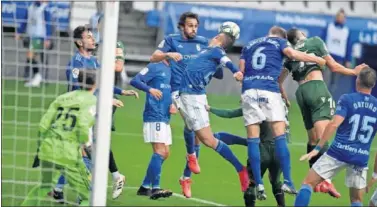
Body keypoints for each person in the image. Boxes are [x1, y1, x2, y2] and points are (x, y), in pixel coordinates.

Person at [50, 25, 137, 202]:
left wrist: (120, 92)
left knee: (86, 151)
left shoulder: (95, 62)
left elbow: (101, 83)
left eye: (92, 36)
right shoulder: (76, 64)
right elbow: (80, 91)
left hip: (94, 112)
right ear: (79, 42)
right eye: (89, 37)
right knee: (86, 152)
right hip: (80, 113)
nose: (93, 39)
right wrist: (107, 100)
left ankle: (62, 189)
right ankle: (86, 193)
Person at [240, 26, 327, 200]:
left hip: (249, 90)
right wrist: (314, 58)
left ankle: (258, 183)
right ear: (281, 37)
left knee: (253, 139)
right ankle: (287, 180)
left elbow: (241, 72)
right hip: (269, 90)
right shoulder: (280, 42)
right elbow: (293, 55)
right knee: (279, 135)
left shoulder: (249, 45)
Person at [281, 28, 368, 198]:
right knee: (324, 138)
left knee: (313, 139)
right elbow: (334, 67)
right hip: (317, 88)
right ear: (301, 34)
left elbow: (279, 81)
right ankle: (325, 180)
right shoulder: (315, 41)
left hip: (301, 93)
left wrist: (285, 98)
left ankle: (319, 180)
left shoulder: (289, 54)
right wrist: (354, 72)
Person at [176, 27, 250, 193]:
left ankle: (240, 169)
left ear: (217, 37)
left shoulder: (216, 50)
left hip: (194, 96)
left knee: (208, 140)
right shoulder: (207, 52)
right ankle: (187, 171)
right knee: (190, 130)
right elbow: (218, 72)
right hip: (186, 95)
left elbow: (225, 60)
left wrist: (236, 71)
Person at [294, 67, 377, 207]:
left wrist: (317, 148)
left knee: (308, 183)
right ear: (373, 85)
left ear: (357, 80)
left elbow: (333, 124)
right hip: (360, 157)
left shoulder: (347, 99)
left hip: (338, 152)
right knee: (356, 200)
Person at [149, 12, 209, 198]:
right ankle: (191, 156)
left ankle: (185, 177)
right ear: (182, 26)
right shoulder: (171, 40)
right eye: (190, 25)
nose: (193, 29)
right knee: (191, 124)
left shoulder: (202, 42)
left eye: (196, 26)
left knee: (200, 134)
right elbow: (154, 57)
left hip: (198, 92)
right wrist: (167, 54)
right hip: (178, 91)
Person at [21, 70, 97, 206]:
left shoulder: (62, 97)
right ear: (95, 84)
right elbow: (83, 126)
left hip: (47, 148)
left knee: (45, 185)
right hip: (67, 153)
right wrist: (87, 145)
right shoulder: (91, 100)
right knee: (89, 196)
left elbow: (43, 126)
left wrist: (40, 148)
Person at [205, 104, 286, 207]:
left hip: (261, 152)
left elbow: (229, 114)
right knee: (276, 181)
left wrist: (210, 108)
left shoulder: (252, 106)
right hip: (279, 151)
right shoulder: (274, 105)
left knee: (250, 183)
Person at [130, 60, 174, 200]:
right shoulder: (155, 66)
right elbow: (135, 80)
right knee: (160, 151)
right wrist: (150, 89)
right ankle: (156, 188)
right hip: (154, 114)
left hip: (165, 116)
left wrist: (173, 104)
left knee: (166, 153)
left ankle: (144, 186)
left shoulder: (173, 69)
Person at [15, 0, 54, 87]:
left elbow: (48, 24)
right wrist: (19, 31)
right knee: (32, 57)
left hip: (39, 37)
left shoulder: (45, 8)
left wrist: (48, 38)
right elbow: (25, 20)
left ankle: (38, 77)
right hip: (31, 36)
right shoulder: (31, 7)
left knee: (32, 55)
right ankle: (37, 77)